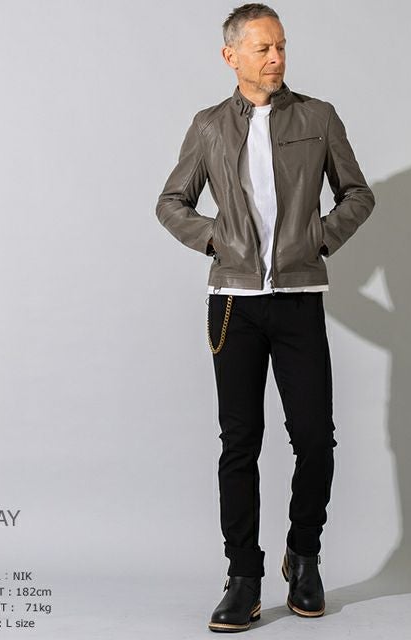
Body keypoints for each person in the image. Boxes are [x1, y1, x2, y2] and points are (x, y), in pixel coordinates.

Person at [155, 3, 374, 632]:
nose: (276, 58)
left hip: (299, 297)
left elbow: (358, 193)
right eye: (262, 48)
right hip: (233, 303)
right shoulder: (208, 126)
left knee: (315, 437)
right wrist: (214, 240)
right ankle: (243, 577)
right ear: (231, 56)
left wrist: (319, 239)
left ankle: (303, 556)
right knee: (240, 442)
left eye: (281, 46)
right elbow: (171, 201)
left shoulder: (317, 117)